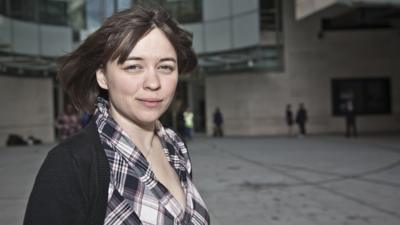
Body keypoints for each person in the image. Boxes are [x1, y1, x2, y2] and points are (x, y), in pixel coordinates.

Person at [24, 6, 210, 225]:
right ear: (103, 76)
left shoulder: (176, 147)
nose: (153, 83)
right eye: (133, 67)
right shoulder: (71, 164)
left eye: (166, 67)